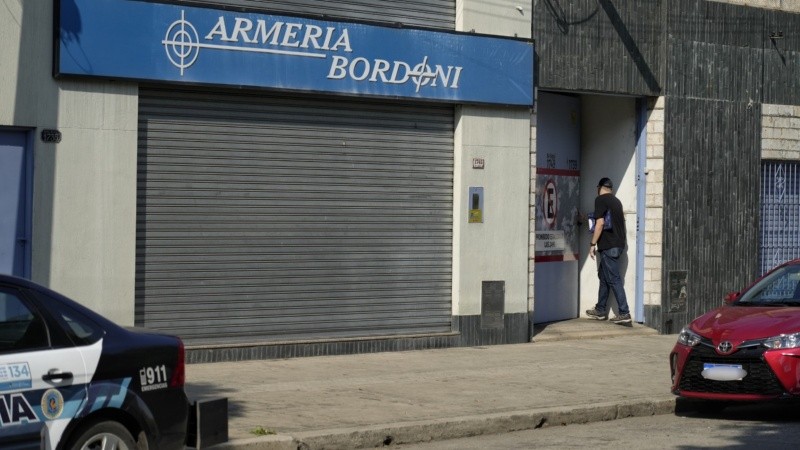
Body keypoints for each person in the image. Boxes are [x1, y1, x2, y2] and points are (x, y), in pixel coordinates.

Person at [586, 177, 631, 324]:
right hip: (618, 245)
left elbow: (600, 223)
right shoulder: (616, 201)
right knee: (604, 277)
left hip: (608, 245)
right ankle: (600, 309)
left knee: (613, 279)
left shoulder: (600, 200)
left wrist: (592, 244)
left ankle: (624, 312)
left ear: (599, 187)